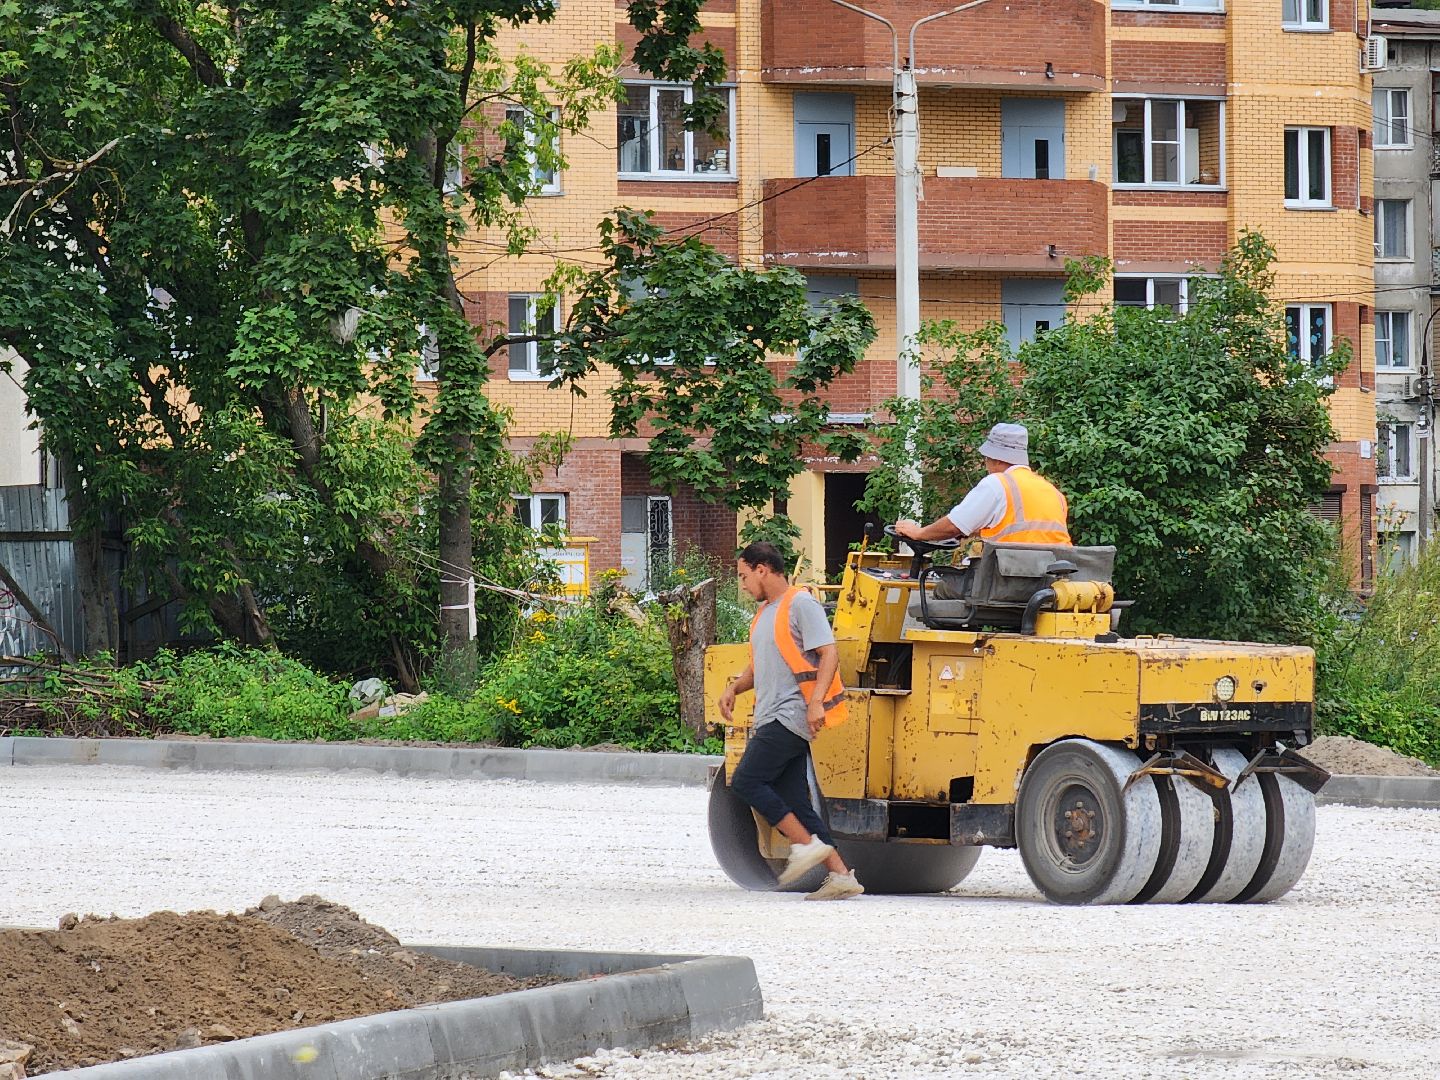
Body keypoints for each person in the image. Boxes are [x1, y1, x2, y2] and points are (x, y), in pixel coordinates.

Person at [718, 541, 863, 901]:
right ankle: (842, 876)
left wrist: (816, 703)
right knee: (796, 802)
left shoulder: (801, 603)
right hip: (771, 714)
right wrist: (736, 687)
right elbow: (763, 664)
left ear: (763, 569)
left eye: (744, 576)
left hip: (790, 715)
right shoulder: (765, 614)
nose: (743, 584)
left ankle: (804, 846)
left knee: (747, 781)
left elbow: (829, 654)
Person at [894, 422, 1071, 546]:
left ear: (994, 458)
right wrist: (975, 531)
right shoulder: (1053, 493)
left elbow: (953, 525)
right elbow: (1033, 535)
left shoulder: (997, 484)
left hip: (1011, 580)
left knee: (943, 589)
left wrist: (920, 533)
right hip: (1054, 584)